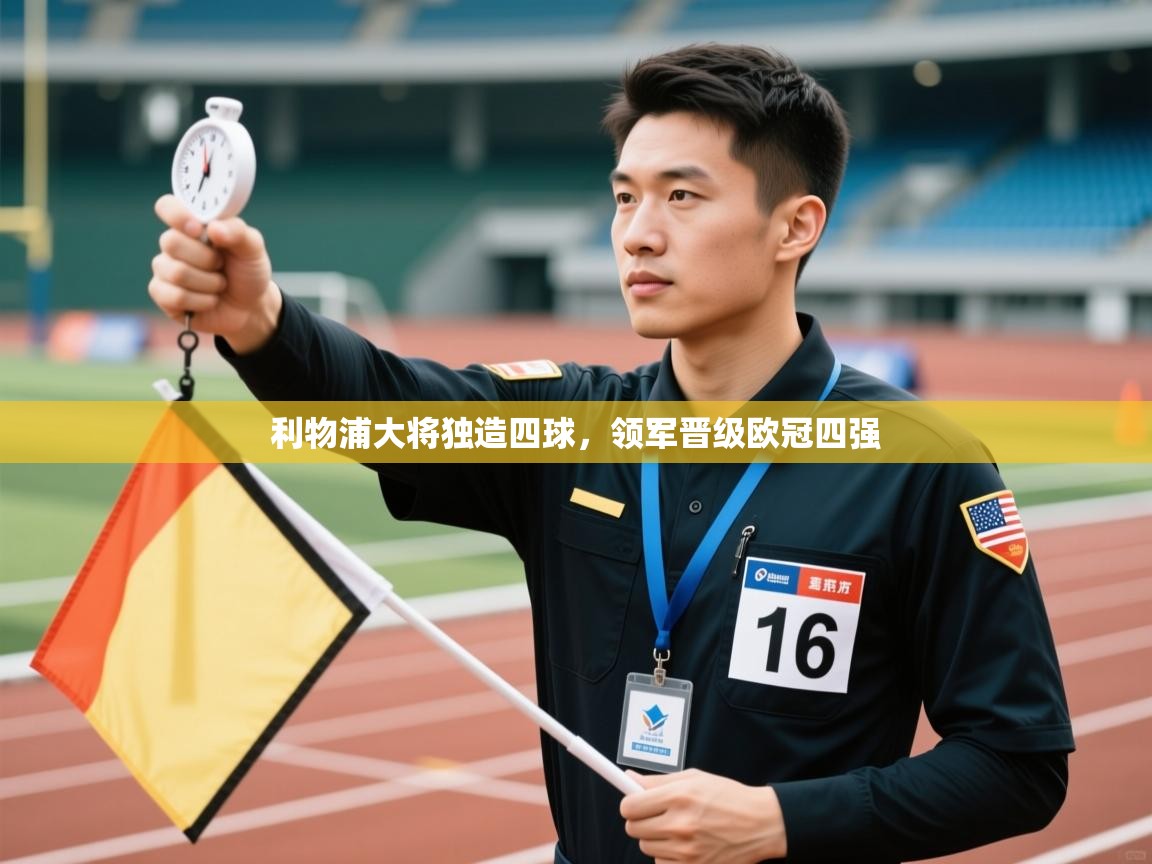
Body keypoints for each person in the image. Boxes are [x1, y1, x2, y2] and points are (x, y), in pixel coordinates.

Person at [149, 44, 1073, 864]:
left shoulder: (922, 466)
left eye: (682, 196)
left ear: (795, 226)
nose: (636, 232)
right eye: (625, 197)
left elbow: (1016, 764)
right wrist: (258, 321)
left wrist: (782, 821)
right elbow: (384, 404)